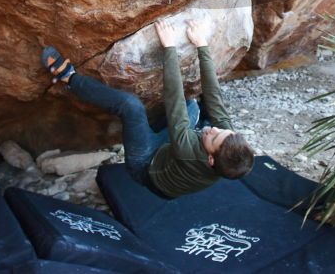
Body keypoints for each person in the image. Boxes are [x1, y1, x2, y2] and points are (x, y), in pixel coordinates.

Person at [41, 18, 254, 199]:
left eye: (214, 137)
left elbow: (174, 101)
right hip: (171, 156)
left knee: (131, 107)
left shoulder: (190, 151)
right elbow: (213, 96)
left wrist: (169, 48)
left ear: (210, 160)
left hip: (146, 166)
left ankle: (68, 77)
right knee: (193, 107)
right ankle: (145, 127)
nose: (215, 129)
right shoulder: (226, 140)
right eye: (222, 131)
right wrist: (202, 46)